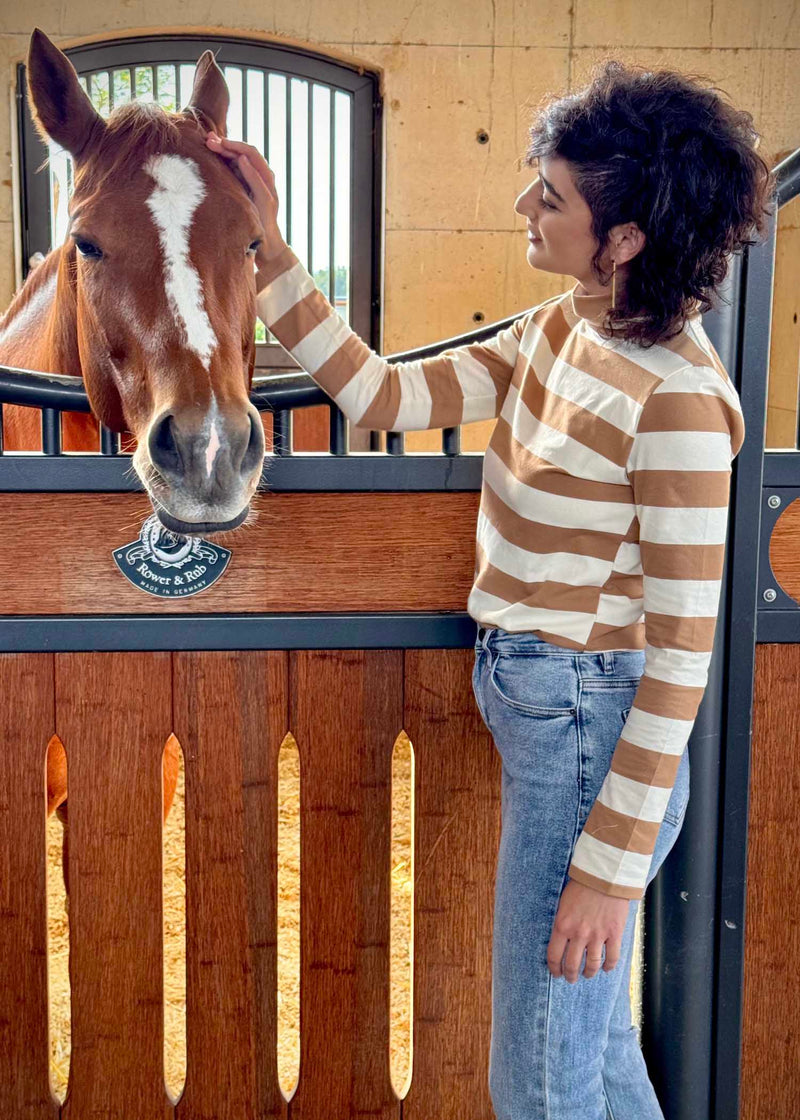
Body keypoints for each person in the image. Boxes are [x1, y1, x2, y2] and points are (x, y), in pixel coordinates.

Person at [206, 59, 773, 1120]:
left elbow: (680, 658)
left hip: (592, 738)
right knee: (594, 1064)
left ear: (624, 240)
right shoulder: (559, 329)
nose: (522, 205)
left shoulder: (682, 407)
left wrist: (604, 870)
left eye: (549, 196)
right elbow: (380, 397)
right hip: (552, 716)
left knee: (538, 1078)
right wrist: (268, 250)